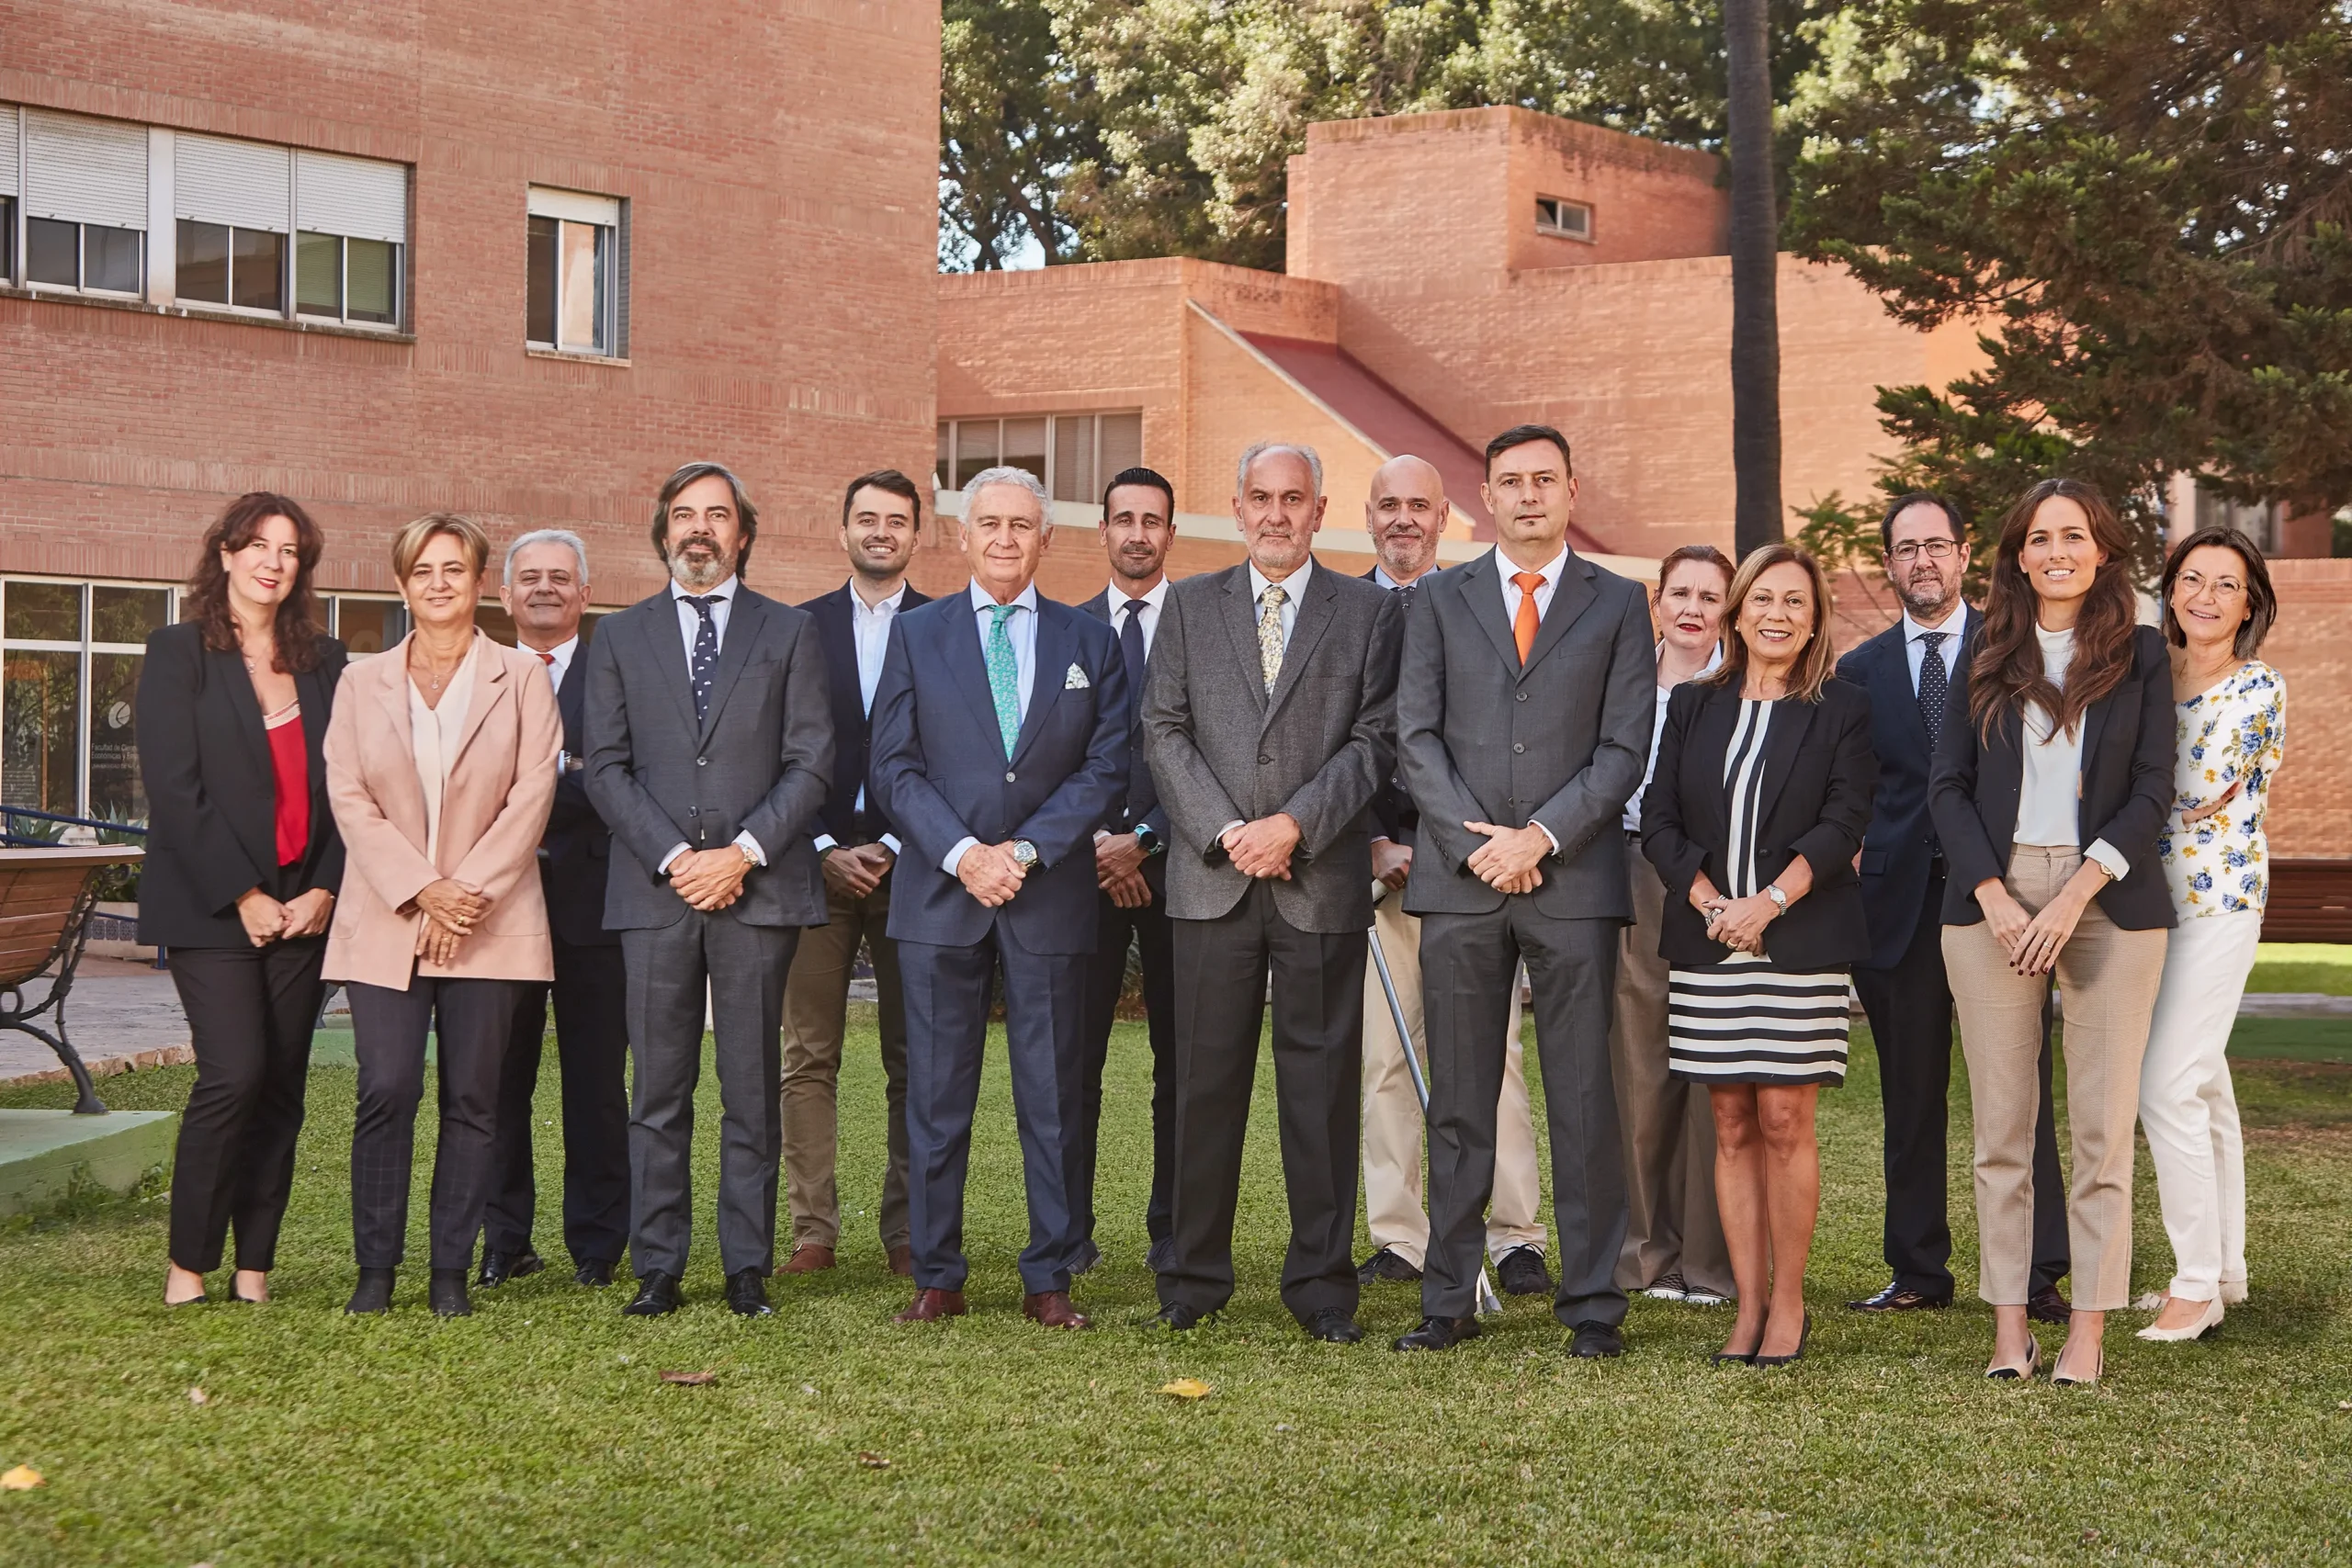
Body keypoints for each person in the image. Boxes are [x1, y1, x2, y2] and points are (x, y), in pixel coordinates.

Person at [1391, 423, 1654, 1359]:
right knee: (1459, 1097)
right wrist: (1479, 848)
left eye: (1545, 479)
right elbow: (1413, 737)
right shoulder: (1436, 600)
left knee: (1583, 1097)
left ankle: (1590, 1305)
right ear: (1485, 497)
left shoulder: (1620, 604)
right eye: (1511, 481)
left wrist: (1540, 837)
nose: (1529, 495)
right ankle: (1448, 1298)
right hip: (1462, 884)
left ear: (1572, 491)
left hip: (1571, 879)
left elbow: (1623, 747)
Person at [1145, 441, 1400, 1343]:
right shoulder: (1185, 606)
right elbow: (1163, 730)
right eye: (1260, 497)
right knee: (1200, 1086)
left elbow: (1374, 740)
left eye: (1293, 498)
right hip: (1210, 878)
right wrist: (1226, 831)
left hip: (1316, 876)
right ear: (1236, 504)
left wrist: (1293, 825)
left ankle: (1323, 1287)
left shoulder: (1365, 612)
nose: (1276, 514)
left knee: (1321, 1091)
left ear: (1320, 508)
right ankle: (1191, 1277)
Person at [868, 465, 1128, 1329]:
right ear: (963, 534)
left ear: (1046, 539)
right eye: (991, 524)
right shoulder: (918, 634)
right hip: (942, 896)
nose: (1006, 538)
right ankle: (938, 1272)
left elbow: (1106, 769)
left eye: (1023, 525)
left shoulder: (1091, 642)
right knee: (937, 1096)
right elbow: (892, 767)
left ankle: (1048, 1275)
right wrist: (963, 854)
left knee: (1051, 1097)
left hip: (1047, 896)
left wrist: (1021, 850)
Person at [1931, 477, 2175, 1386]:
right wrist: (1992, 895)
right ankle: (2006, 1332)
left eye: (2073, 535)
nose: (2056, 551)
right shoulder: (1985, 650)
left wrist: (2074, 893)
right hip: (1990, 897)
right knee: (2001, 1128)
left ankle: (2086, 1331)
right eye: (2038, 538)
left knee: (2101, 1132)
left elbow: (2153, 784)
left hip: (2105, 893)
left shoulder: (2140, 653)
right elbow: (1944, 787)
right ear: (2017, 556)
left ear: (2102, 550)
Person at [583, 462, 834, 1320]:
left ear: (743, 533)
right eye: (685, 515)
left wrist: (743, 853)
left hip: (756, 894)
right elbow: (605, 769)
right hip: (655, 895)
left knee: (750, 1082)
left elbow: (812, 762)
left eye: (717, 515)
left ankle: (745, 1267)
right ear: (663, 533)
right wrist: (675, 858)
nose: (700, 529)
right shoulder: (617, 638)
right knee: (657, 1089)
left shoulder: (791, 633)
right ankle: (659, 1264)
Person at [1837, 494, 2074, 1323]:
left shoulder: (2013, 652)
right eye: (1906, 550)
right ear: (1890, 565)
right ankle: (1917, 1269)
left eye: (1936, 545)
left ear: (1966, 554)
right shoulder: (1857, 671)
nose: (1922, 562)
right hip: (1896, 909)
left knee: (2018, 1088)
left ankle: (2038, 1269)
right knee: (1909, 1095)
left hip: (2001, 904)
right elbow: (1850, 789)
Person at [1642, 545, 1876, 1366]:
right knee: (1731, 1121)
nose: (1778, 613)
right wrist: (1713, 905)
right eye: (1764, 598)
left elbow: (1844, 822)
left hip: (1798, 939)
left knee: (1784, 1117)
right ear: (1738, 611)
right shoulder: (1694, 708)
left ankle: (1788, 1303)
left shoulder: (1841, 708)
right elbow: (1661, 819)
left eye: (1796, 603)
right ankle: (1745, 1304)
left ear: (1814, 622)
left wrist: (1767, 904)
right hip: (1709, 942)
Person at [325, 513, 562, 1318]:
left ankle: (450, 1274)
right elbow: (349, 797)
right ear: (401, 585)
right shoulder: (360, 682)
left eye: (453, 569)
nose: (437, 582)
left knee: (475, 1098)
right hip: (388, 914)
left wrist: (463, 894)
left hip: (489, 918)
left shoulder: (522, 677)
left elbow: (534, 794)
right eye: (422, 570)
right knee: (387, 1086)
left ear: (479, 582)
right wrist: (422, 889)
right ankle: (375, 1270)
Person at [1352, 455, 1551, 1299]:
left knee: (1493, 1055)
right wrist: (1366, 843)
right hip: (1372, 870)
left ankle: (1515, 1236)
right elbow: (1336, 738)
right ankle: (1400, 1235)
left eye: (1419, 507)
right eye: (1389, 505)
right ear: (1367, 517)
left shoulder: (1475, 602)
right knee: (1386, 1060)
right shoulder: (1343, 610)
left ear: (1447, 518)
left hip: (1471, 867)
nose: (1404, 519)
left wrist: (1466, 844)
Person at [141, 493, 345, 1307]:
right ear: (224, 553)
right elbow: (175, 788)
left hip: (306, 906)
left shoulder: (326, 660)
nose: (272, 560)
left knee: (284, 1084)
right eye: (257, 544)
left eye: (289, 550)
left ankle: (253, 1265)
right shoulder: (177, 651)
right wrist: (244, 892)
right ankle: (188, 1263)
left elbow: (354, 787)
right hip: (213, 906)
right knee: (235, 1072)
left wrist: (328, 882)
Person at [777, 470, 933, 1279]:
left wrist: (900, 848)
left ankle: (907, 1231)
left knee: (915, 1057)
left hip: (916, 871)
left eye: (896, 521)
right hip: (814, 868)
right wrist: (823, 846)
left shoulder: (945, 627)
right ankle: (814, 1231)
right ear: (843, 531)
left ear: (917, 534)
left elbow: (955, 758)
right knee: (808, 1056)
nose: (881, 532)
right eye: (866, 519)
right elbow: (776, 755)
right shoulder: (796, 629)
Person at [2136, 526, 2285, 1342]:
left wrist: (2129, 786)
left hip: (2221, 902)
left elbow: (2194, 788)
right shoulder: (2149, 670)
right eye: (2193, 579)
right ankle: (2226, 1267)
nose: (2205, 596)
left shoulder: (2258, 688)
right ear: (2170, 589)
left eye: (2227, 585)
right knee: (2207, 1087)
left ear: (2251, 602)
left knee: (2164, 1084)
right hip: (2149, 907)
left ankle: (2192, 1284)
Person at [480, 529, 631, 1291]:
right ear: (504, 595)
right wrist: (563, 770)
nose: (544, 588)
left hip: (596, 908)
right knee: (496, 1080)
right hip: (495, 907)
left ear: (583, 592)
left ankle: (599, 1244)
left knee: (596, 1083)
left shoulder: (618, 669)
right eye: (528, 577)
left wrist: (529, 780)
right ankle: (504, 1237)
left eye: (559, 577)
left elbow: (617, 781)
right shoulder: (477, 672)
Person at [1610, 543, 1736, 1309]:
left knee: (1712, 1065)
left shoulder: (1744, 683)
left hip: (1722, 884)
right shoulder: (1623, 677)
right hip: (1632, 873)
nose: (1692, 608)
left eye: (1709, 595)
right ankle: (1645, 1253)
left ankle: (1710, 1260)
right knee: (1639, 1066)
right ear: (1658, 602)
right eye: (1679, 592)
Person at [1074, 466, 1180, 1276]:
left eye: (1152, 520)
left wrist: (1143, 838)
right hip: (1080, 873)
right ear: (1101, 531)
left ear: (1169, 533)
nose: (1137, 532)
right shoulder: (1067, 630)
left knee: (1183, 1062)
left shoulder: (1205, 625)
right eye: (1124, 519)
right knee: (1073, 1060)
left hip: (1183, 873)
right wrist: (1102, 844)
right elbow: (1045, 757)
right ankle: (1070, 1232)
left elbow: (1218, 751)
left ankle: (1172, 1231)